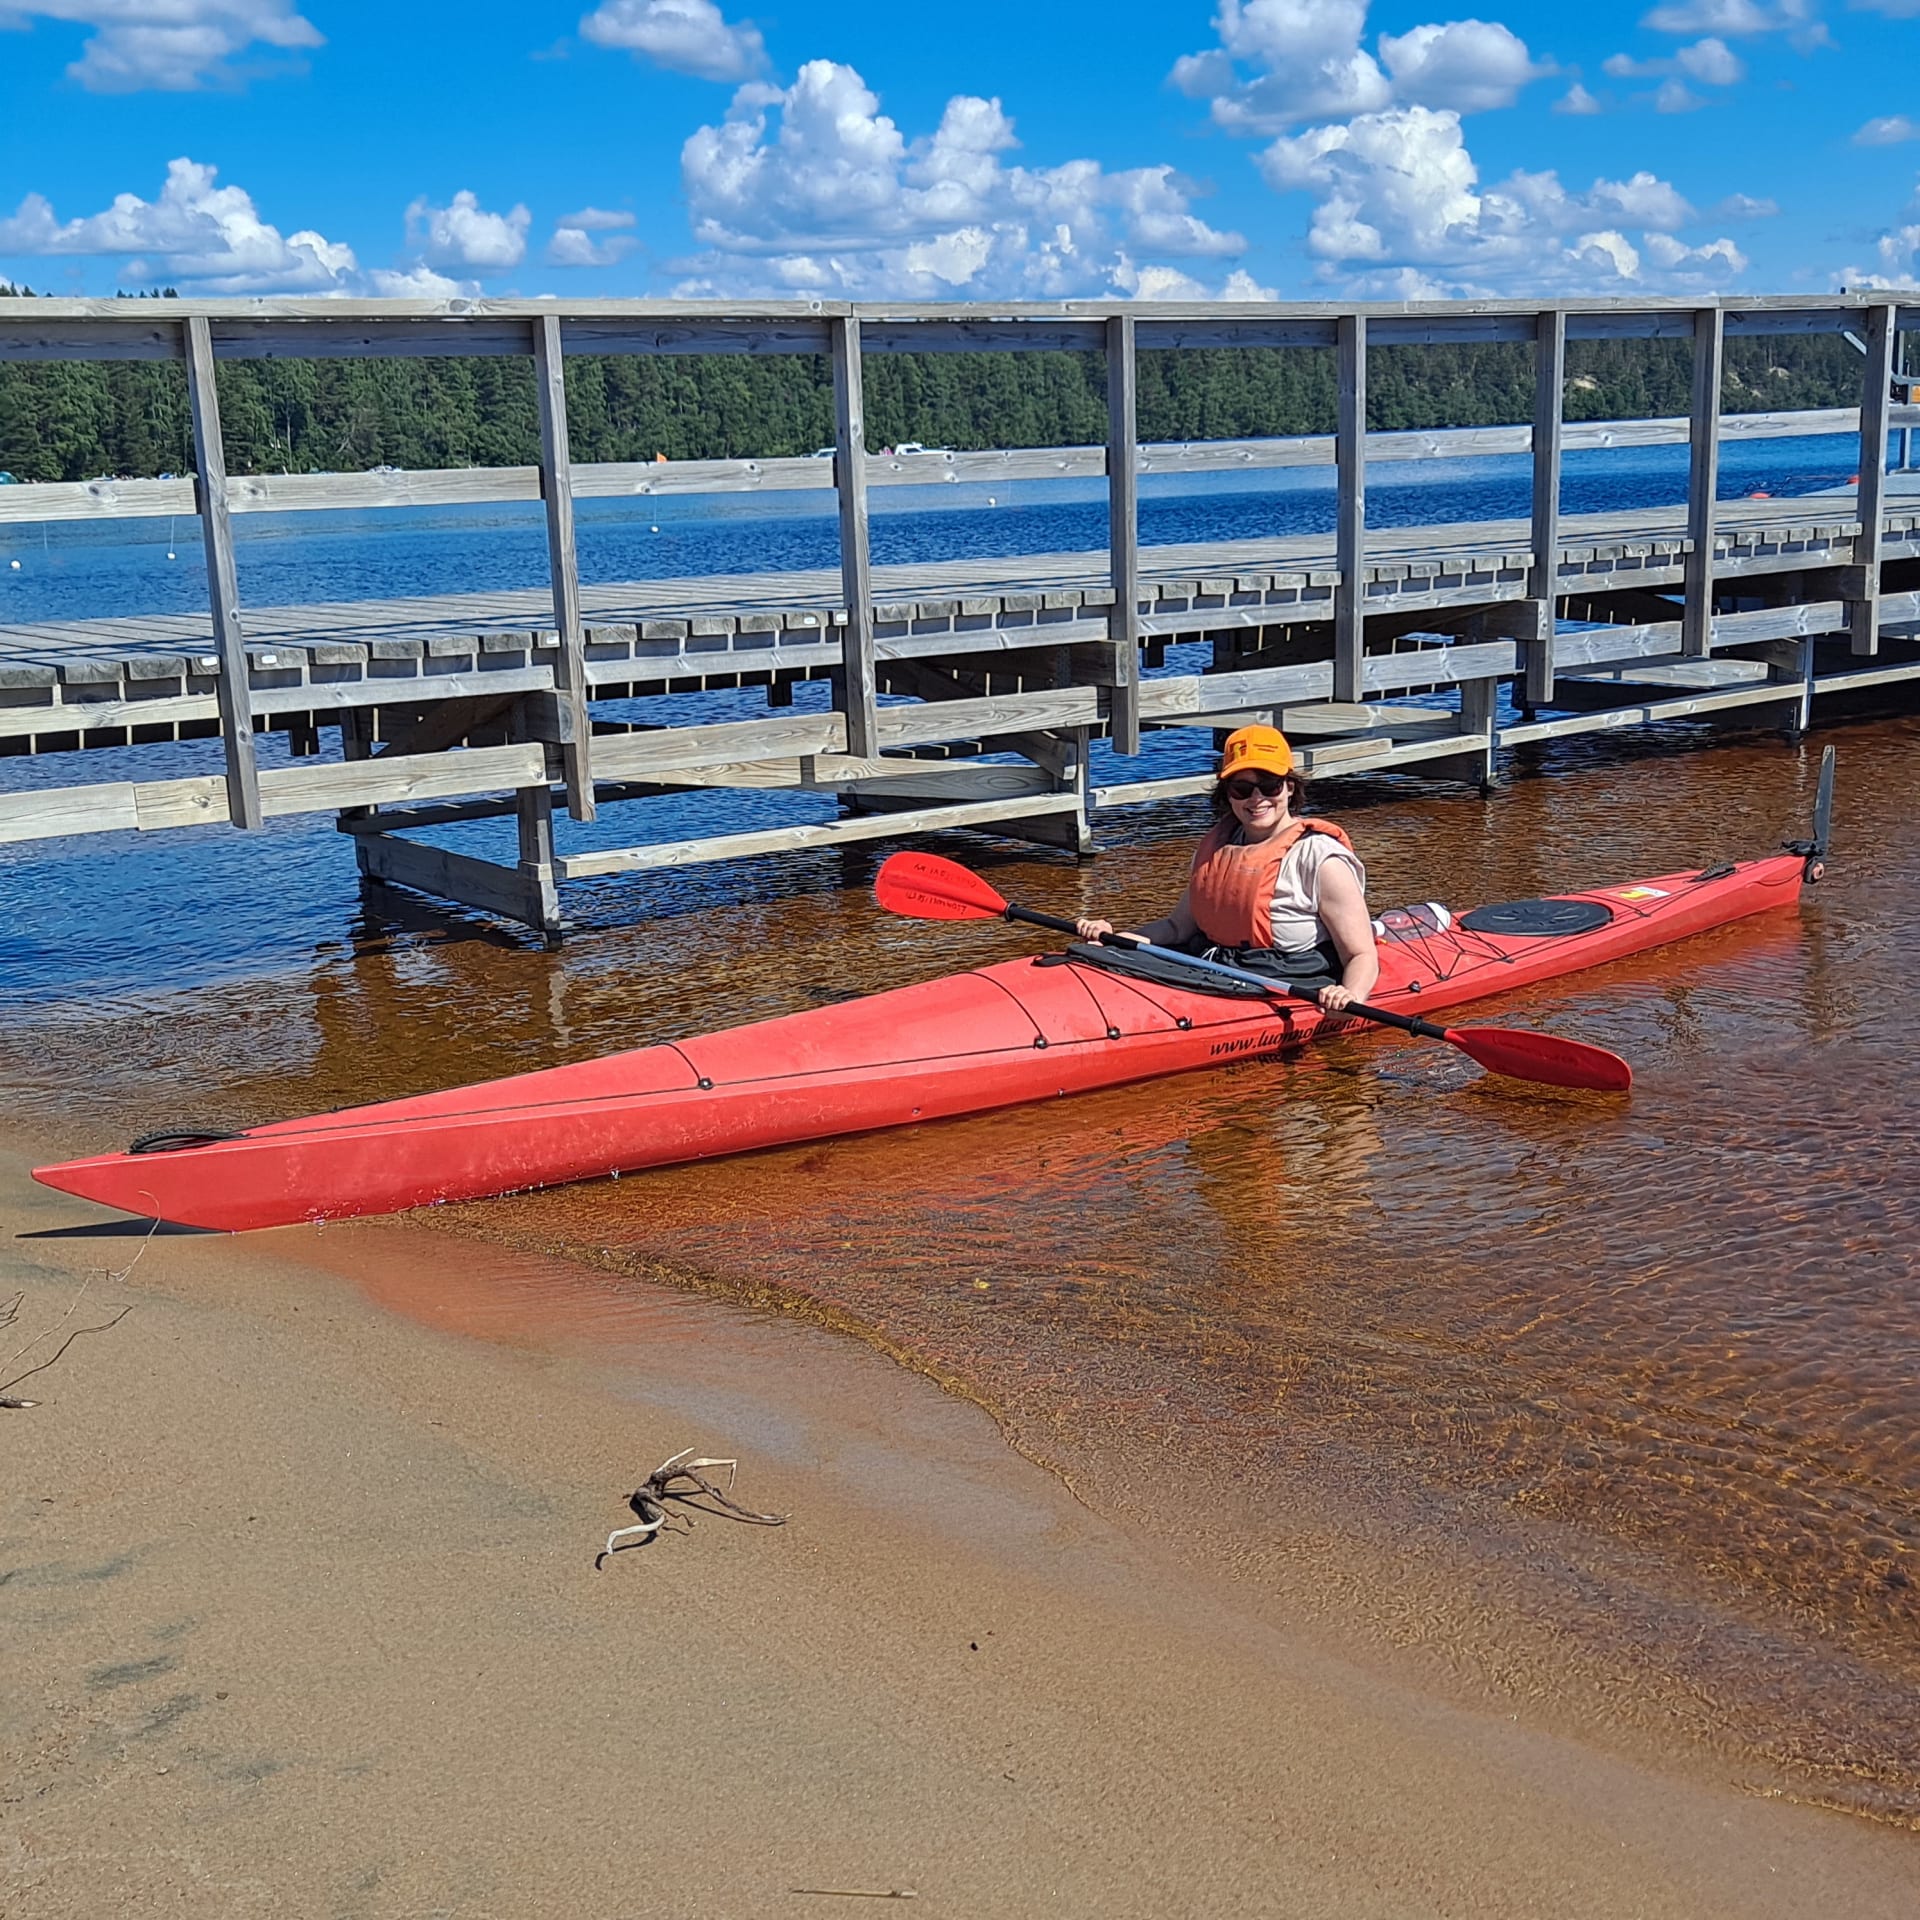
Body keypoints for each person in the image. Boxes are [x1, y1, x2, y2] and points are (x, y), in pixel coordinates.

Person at [1074, 723, 1379, 1014]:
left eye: (1269, 785)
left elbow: (1361, 954)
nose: (1257, 798)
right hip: (1215, 966)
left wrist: (1349, 996)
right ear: (1227, 794)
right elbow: (1177, 928)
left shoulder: (1322, 859)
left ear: (1288, 787)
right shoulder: (1218, 849)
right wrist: (1115, 939)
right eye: (1242, 788)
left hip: (1288, 977)